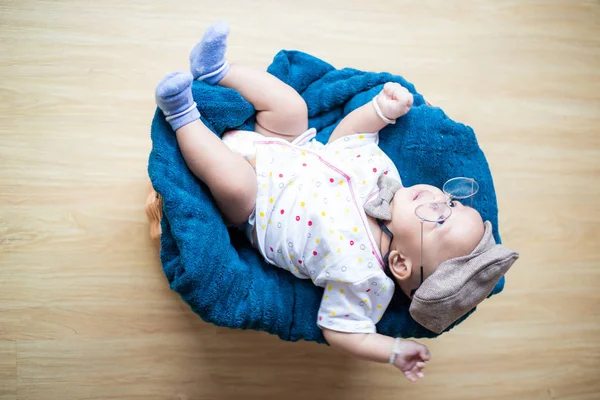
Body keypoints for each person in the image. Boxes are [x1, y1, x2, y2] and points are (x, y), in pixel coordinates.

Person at [153, 21, 518, 382]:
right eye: (453, 203)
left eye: (439, 221)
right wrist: (381, 110)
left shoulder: (364, 278)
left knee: (234, 186)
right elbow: (349, 137)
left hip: (256, 208)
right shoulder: (384, 181)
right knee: (291, 107)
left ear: (402, 264)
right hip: (288, 145)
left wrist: (392, 350)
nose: (441, 201)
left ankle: (182, 113)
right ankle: (217, 70)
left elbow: (344, 332)